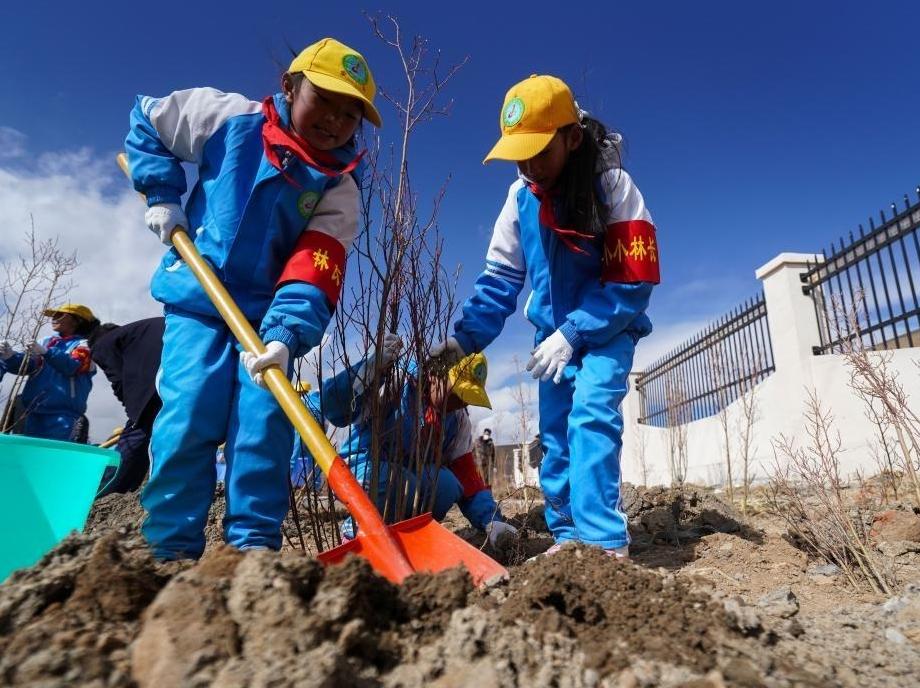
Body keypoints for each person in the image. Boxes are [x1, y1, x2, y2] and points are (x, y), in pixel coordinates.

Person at [124, 37, 381, 560]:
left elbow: (315, 264)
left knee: (264, 430)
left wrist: (287, 336)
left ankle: (252, 554)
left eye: (350, 114)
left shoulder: (339, 187)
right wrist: (161, 193)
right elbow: (148, 119)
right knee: (190, 414)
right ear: (288, 86)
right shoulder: (229, 119)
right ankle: (170, 551)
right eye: (324, 101)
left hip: (268, 323)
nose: (334, 121)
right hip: (200, 302)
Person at [431, 75, 659, 559]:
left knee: (592, 416)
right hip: (551, 339)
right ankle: (568, 535)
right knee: (555, 435)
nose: (530, 165)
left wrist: (576, 331)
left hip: (606, 330)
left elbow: (632, 281)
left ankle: (602, 543)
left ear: (572, 138)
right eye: (520, 153)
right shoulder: (518, 201)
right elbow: (498, 281)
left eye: (539, 150)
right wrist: (464, 339)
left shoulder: (612, 187)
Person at [329, 338, 516, 546]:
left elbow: (467, 477)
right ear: (435, 374)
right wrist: (370, 369)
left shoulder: (458, 420)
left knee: (446, 485)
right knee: (391, 482)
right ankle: (355, 532)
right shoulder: (397, 383)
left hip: (408, 480)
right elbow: (335, 410)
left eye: (468, 398)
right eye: (457, 393)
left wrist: (491, 520)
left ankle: (407, 535)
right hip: (361, 470)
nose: (461, 402)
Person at [89, 317, 165, 497]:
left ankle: (103, 492)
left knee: (136, 435)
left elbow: (118, 379)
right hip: (185, 374)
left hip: (153, 388)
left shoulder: (102, 344)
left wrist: (133, 411)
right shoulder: (139, 332)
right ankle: (131, 487)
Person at [0, 304, 98, 441]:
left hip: (64, 416)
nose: (53, 318)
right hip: (33, 413)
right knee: (33, 456)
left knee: (57, 457)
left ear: (77, 320)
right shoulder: (45, 341)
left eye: (60, 315)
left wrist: (47, 352)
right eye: (53, 315)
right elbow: (29, 366)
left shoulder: (86, 345)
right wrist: (10, 357)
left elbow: (73, 366)